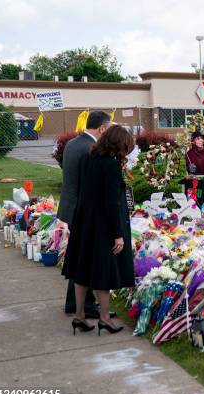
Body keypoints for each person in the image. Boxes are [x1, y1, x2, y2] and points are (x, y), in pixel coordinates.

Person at [62, 125, 135, 335]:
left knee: (83, 269)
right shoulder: (110, 165)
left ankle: (79, 316)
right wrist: (118, 234)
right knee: (103, 271)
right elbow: (112, 202)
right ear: (119, 144)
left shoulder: (90, 157)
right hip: (103, 225)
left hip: (85, 221)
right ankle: (104, 318)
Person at [57, 110, 114, 319]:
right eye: (108, 128)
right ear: (102, 128)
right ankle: (86, 306)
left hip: (71, 205)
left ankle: (74, 303)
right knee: (87, 257)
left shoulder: (73, 143)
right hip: (83, 209)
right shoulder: (91, 148)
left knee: (80, 255)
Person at [183, 131, 204, 204]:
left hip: (203, 183)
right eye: (197, 139)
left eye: (201, 138)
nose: (200, 140)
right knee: (192, 202)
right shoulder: (189, 154)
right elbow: (186, 169)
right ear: (193, 141)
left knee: (200, 198)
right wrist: (189, 169)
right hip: (192, 183)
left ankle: (202, 211)